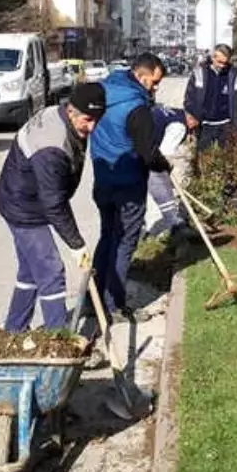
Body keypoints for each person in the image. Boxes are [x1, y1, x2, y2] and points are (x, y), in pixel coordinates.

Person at [0, 83, 106, 331]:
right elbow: (54, 204)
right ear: (71, 112)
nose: (93, 127)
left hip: (26, 195)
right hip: (23, 205)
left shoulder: (64, 116)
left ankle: (14, 330)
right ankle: (59, 342)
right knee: (51, 272)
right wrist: (76, 244)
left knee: (30, 271)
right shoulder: (51, 147)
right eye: (88, 120)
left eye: (98, 119)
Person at [90, 53, 173, 318]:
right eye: (154, 82)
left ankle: (94, 299)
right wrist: (164, 165)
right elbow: (148, 153)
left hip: (103, 180)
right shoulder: (137, 107)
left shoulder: (105, 90)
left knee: (107, 238)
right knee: (125, 242)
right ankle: (114, 305)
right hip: (128, 185)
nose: (156, 87)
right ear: (140, 75)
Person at [184, 43, 237, 152]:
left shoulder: (236, 76)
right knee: (203, 159)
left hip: (227, 125)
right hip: (204, 126)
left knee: (227, 160)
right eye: (219, 62)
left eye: (225, 63)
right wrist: (191, 122)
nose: (222, 66)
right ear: (213, 58)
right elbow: (189, 99)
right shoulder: (199, 74)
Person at [144, 103, 193, 239]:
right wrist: (168, 169)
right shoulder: (180, 126)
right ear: (192, 121)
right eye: (195, 127)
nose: (193, 132)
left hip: (139, 136)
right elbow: (165, 153)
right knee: (157, 187)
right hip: (143, 145)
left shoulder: (176, 112)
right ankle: (158, 230)